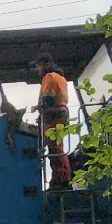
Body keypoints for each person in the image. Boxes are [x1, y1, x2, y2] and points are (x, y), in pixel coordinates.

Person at [35, 52, 73, 190]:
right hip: (61, 114)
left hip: (54, 116)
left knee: (55, 149)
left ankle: (62, 181)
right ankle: (59, 179)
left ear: (47, 64)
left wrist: (39, 109)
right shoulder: (61, 78)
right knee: (57, 147)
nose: (37, 69)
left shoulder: (49, 77)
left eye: (39, 66)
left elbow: (48, 99)